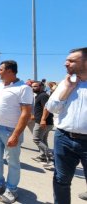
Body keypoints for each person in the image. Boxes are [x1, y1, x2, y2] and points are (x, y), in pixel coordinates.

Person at [0, 60, 33, 203]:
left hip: (10, 130)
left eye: (1, 69)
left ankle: (12, 189)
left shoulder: (24, 88)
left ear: (10, 71)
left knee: (12, 161)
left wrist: (16, 135)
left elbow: (25, 114)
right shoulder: (0, 86)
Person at [46, 47, 87, 204]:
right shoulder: (67, 83)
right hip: (64, 138)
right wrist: (68, 89)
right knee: (61, 180)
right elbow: (51, 107)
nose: (65, 63)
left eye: (71, 61)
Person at [31, 81, 54, 163]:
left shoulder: (43, 96)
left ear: (41, 86)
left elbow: (46, 108)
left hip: (44, 122)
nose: (33, 88)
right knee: (43, 140)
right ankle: (43, 156)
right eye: (32, 86)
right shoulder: (39, 96)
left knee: (36, 139)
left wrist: (43, 120)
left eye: (35, 86)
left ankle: (50, 153)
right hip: (45, 122)